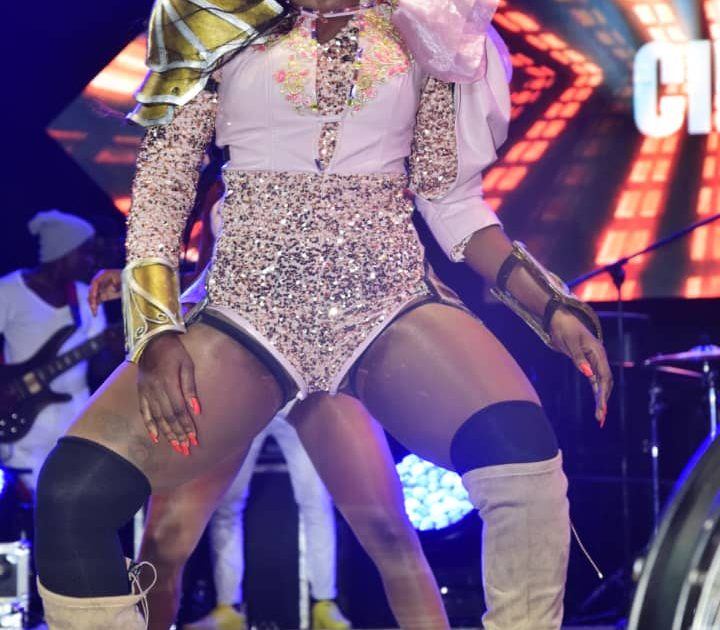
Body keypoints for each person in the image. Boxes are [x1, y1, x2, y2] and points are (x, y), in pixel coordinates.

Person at [34, 2, 613, 630]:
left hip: (386, 302)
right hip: (244, 312)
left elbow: (451, 199)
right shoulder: (217, 13)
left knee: (523, 461)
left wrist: (549, 303)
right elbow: (163, 185)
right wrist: (154, 329)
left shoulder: (425, 20)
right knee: (75, 496)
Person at [90, 270, 352, 630]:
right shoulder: (210, 232)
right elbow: (205, 273)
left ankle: (324, 601)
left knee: (315, 497)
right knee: (225, 503)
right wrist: (135, 279)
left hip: (298, 377)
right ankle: (229, 606)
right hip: (241, 378)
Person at [0, 210, 105, 491]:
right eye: (85, 252)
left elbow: (101, 368)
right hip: (24, 429)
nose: (91, 260)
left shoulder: (88, 295)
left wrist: (116, 348)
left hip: (76, 425)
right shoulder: (8, 292)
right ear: (64, 253)